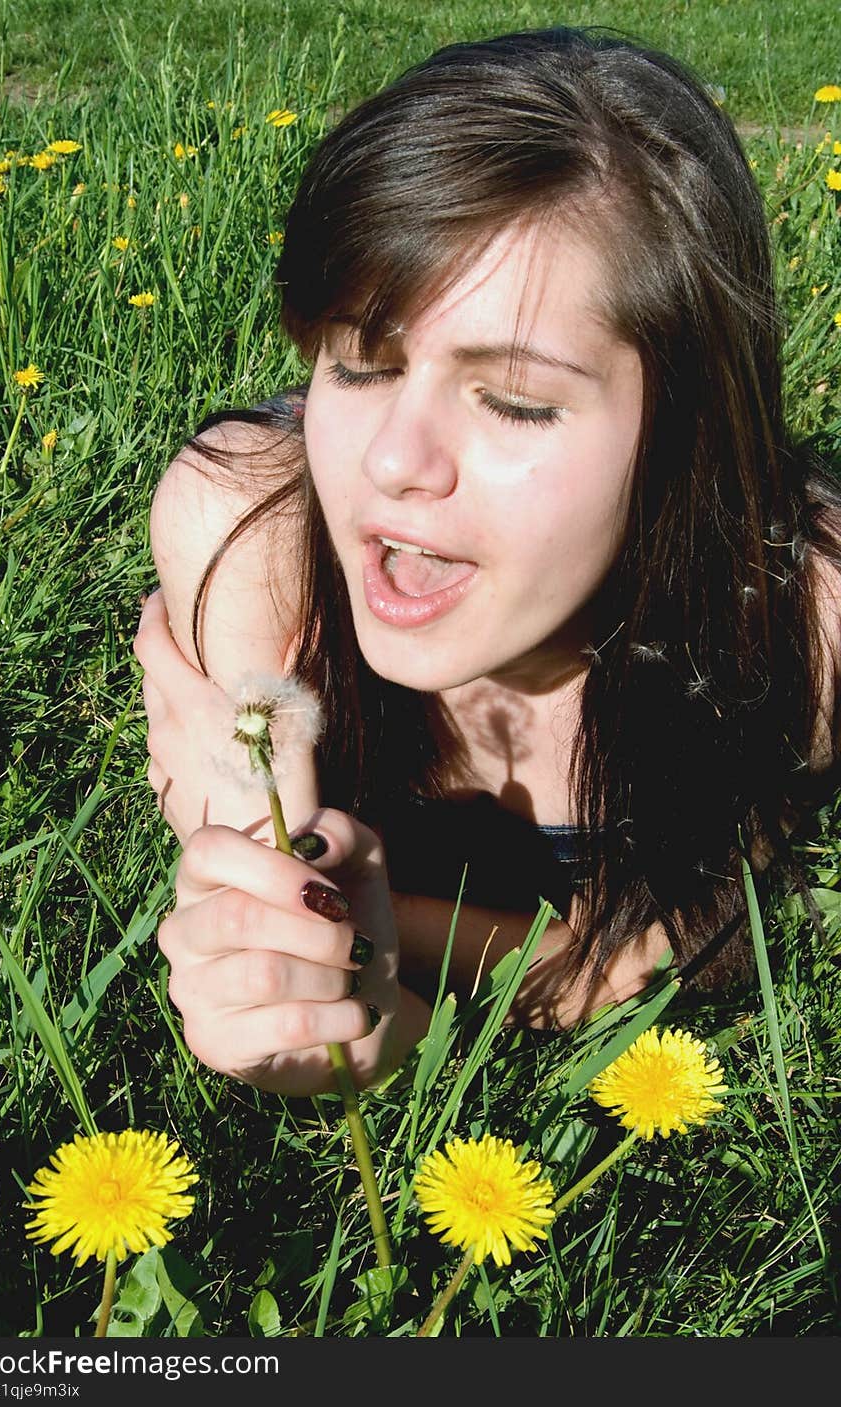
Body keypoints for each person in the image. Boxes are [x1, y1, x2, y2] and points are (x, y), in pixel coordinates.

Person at [134, 25, 841, 1097]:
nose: (390, 462)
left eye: (514, 399)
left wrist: (390, 981)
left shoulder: (804, 615)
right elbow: (250, 873)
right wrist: (264, 894)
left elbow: (669, 959)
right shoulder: (248, 520)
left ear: (686, 433)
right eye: (359, 364)